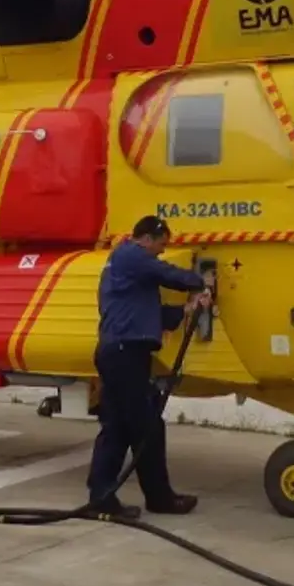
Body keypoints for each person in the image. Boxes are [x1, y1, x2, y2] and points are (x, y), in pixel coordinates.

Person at [86, 214, 214, 519]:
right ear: (146, 238)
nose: (160, 251)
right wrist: (201, 281)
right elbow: (164, 272)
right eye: (160, 244)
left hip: (119, 352)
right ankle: (160, 499)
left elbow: (148, 311)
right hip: (124, 353)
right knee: (148, 427)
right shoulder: (130, 254)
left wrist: (187, 309)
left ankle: (101, 498)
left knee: (117, 429)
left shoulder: (128, 271)